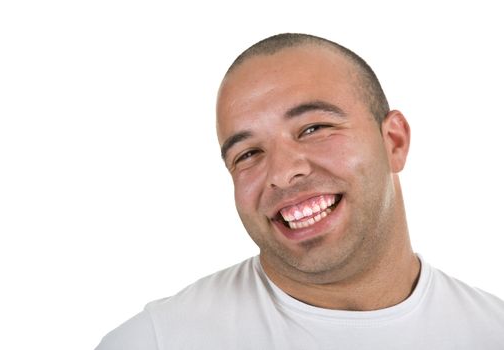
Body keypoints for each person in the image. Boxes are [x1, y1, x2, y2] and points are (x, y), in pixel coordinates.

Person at [96, 33, 504, 349]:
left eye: (313, 128)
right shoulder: (157, 342)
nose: (282, 173)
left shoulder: (492, 333)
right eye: (248, 153)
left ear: (393, 141)